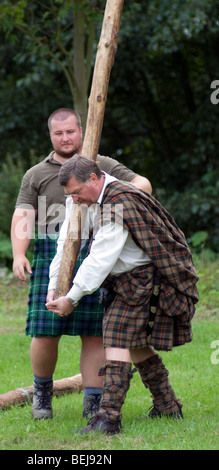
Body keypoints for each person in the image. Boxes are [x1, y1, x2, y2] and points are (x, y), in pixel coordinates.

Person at [11, 108, 152, 420]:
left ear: (81, 131)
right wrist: (19, 254)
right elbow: (23, 215)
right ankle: (42, 395)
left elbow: (143, 184)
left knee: (95, 333)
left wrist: (115, 202)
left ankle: (93, 402)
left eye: (70, 132)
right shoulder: (37, 173)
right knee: (45, 330)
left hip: (98, 245)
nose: (65, 138)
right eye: (58, 133)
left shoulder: (101, 166)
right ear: (50, 136)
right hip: (52, 247)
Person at [46, 155, 199, 434]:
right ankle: (167, 405)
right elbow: (68, 242)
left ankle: (108, 418)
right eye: (70, 195)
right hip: (122, 279)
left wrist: (71, 298)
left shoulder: (119, 202)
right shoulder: (80, 197)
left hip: (147, 278)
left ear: (94, 178)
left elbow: (100, 258)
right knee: (136, 343)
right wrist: (54, 286)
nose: (75, 199)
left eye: (77, 193)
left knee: (116, 337)